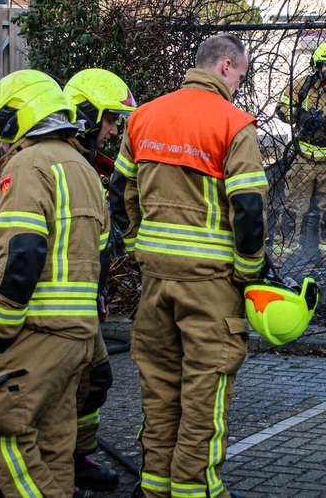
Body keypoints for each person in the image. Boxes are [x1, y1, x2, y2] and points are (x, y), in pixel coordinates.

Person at [109, 34, 267, 498]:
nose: (239, 86)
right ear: (225, 67)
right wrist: (249, 271)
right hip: (210, 283)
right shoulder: (233, 124)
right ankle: (196, 490)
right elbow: (249, 208)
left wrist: (140, 249)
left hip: (155, 280)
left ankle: (154, 488)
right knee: (205, 391)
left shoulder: (143, 117)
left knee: (160, 388)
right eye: (240, 76)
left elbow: (120, 194)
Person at [0, 69, 111, 498]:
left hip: (33, 332)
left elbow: (24, 250)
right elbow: (101, 251)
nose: (1, 143)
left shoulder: (29, 164)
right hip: (76, 336)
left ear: (19, 118)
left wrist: (0, 326)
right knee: (53, 446)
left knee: (2, 441)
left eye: (2, 130)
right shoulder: (83, 168)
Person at [61, 68, 139, 493]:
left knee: (96, 381)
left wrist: (99, 293)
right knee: (60, 393)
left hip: (83, 301)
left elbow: (96, 240)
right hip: (58, 308)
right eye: (109, 120)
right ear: (86, 115)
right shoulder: (62, 162)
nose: (113, 130)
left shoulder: (86, 164)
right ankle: (57, 470)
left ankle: (77, 458)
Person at [274, 41, 326, 263]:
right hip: (303, 157)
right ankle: (282, 254)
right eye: (325, 64)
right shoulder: (302, 86)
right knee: (292, 207)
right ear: (317, 66)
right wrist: (300, 116)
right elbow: (282, 108)